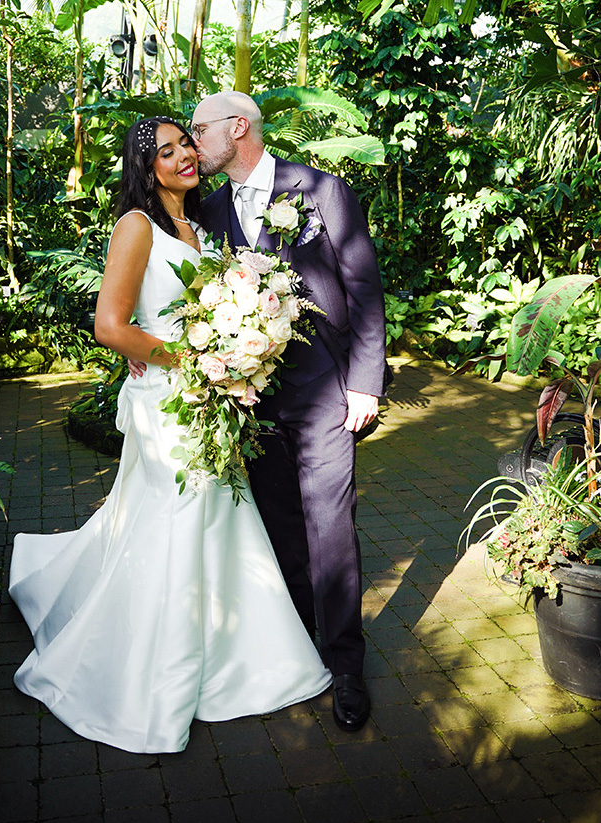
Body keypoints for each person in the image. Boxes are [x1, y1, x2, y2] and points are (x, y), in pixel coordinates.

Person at [8, 116, 331, 755]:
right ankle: (152, 677)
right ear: (145, 166)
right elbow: (109, 325)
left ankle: (235, 657)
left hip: (209, 392)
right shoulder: (136, 226)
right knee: (181, 518)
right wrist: (192, 355)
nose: (183, 155)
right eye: (166, 150)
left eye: (186, 142)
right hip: (169, 398)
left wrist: (235, 345)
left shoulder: (198, 223)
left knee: (218, 517)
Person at [192, 91, 388, 732]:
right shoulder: (211, 209)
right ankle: (297, 642)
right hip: (251, 396)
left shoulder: (322, 191)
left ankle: (345, 664)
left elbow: (362, 289)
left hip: (326, 389)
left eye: (201, 129)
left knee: (329, 524)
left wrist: (366, 382)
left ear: (237, 128)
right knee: (277, 520)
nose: (196, 142)